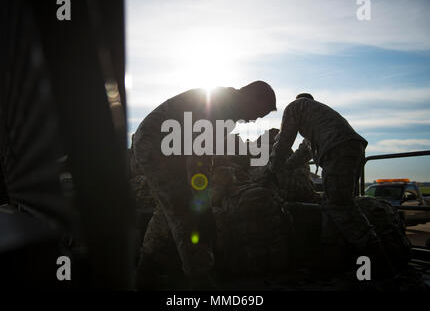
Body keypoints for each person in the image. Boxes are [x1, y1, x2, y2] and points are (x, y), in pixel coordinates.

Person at [133, 81, 276, 289]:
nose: (254, 120)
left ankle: (146, 270)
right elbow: (198, 160)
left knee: (169, 209)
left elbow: (205, 157)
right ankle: (201, 278)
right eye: (258, 113)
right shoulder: (220, 108)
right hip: (156, 142)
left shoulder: (227, 109)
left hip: (167, 144)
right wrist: (203, 208)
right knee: (185, 210)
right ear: (251, 97)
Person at [266, 93, 393, 275]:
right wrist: (285, 168)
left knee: (340, 206)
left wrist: (272, 169)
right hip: (350, 149)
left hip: (338, 151)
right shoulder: (320, 123)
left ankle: (378, 262)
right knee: (329, 205)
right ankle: (331, 260)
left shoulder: (295, 107)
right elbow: (303, 153)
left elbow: (284, 140)